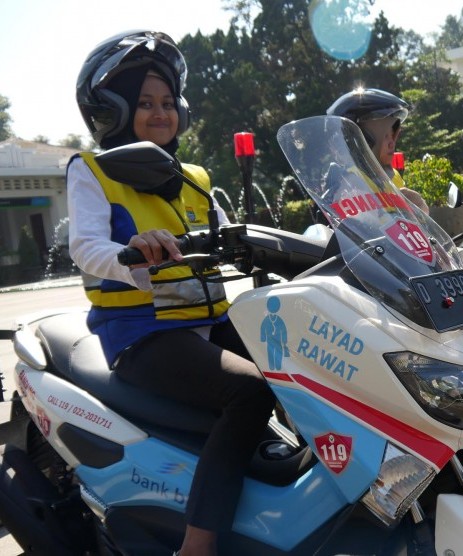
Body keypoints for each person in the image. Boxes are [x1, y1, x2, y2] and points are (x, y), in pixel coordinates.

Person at [69, 30, 275, 556]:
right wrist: (131, 250)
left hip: (210, 320)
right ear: (111, 110)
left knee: (304, 358)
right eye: (144, 103)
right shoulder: (93, 171)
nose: (160, 113)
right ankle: (198, 545)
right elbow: (85, 246)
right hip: (146, 336)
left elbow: (235, 236)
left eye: (167, 103)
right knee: (249, 391)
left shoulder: (194, 176)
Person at [327, 87, 429, 213]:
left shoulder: (392, 176)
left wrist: (420, 209)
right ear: (358, 138)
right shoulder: (349, 182)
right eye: (384, 135)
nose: (392, 143)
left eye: (392, 134)